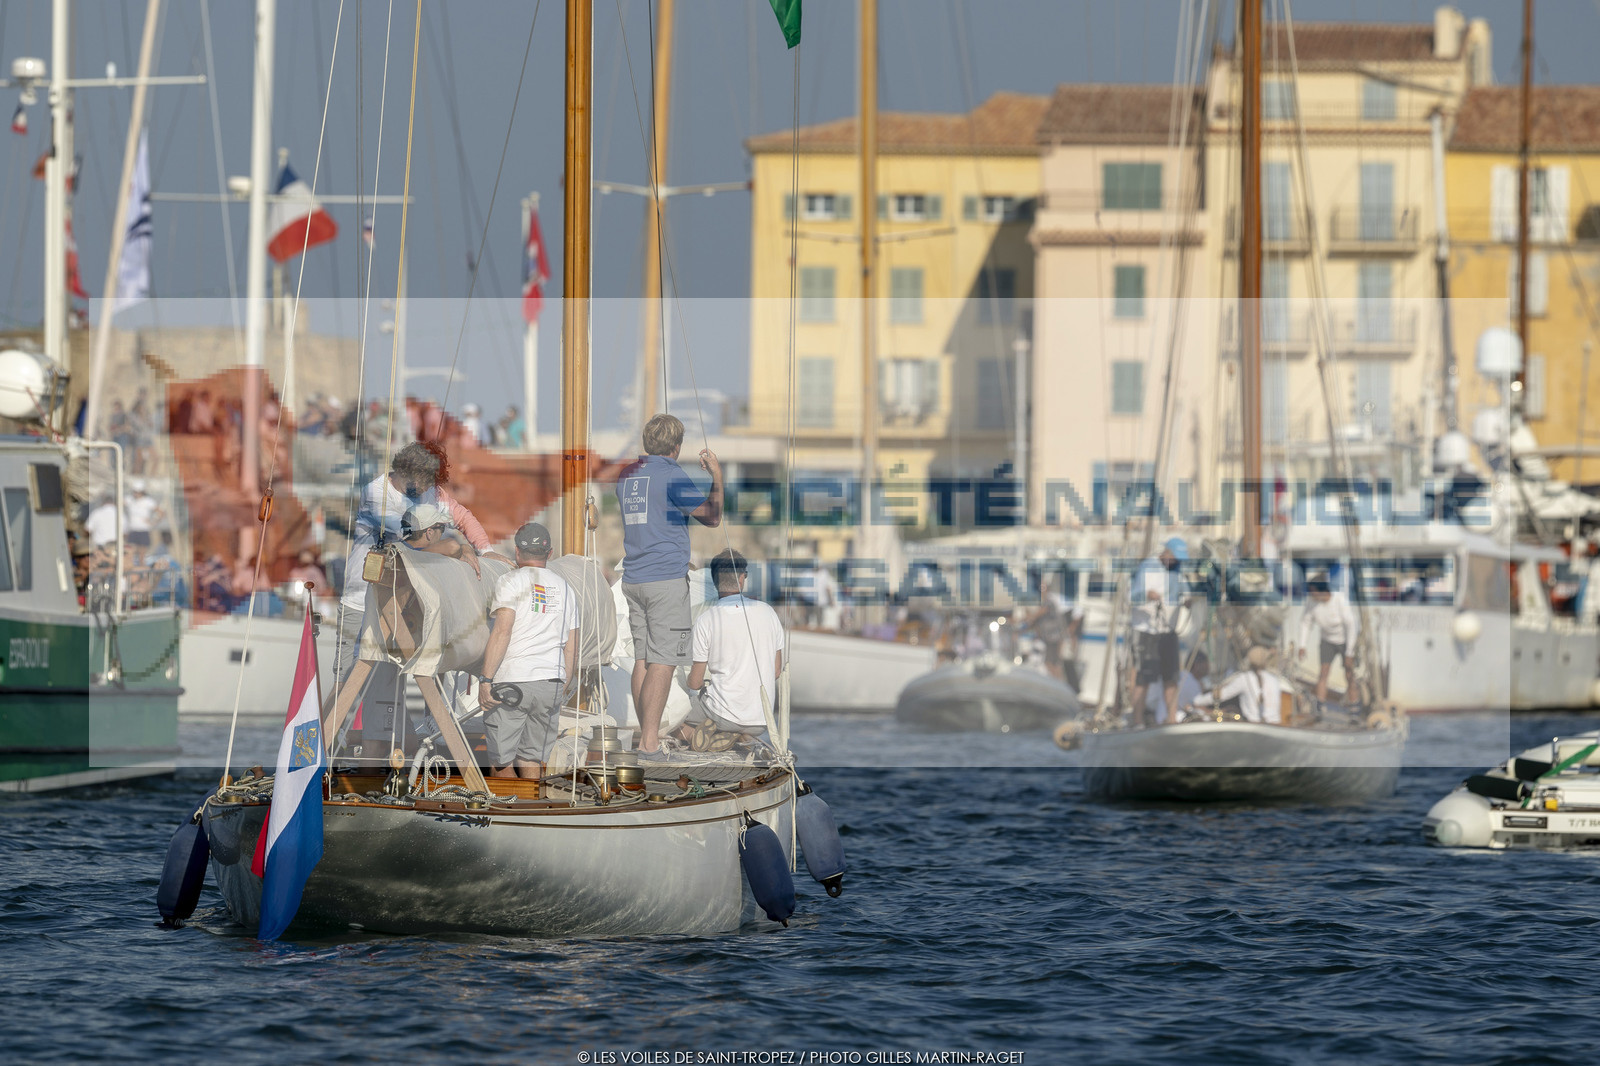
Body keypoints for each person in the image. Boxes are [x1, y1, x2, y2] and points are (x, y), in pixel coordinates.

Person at [337, 441, 494, 681]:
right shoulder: (376, 493)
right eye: (423, 482)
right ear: (404, 473)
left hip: (402, 605)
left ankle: (425, 719)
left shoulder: (429, 492)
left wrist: (486, 551)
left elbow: (463, 517)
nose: (426, 489)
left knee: (388, 693)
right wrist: (456, 547)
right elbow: (411, 539)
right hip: (360, 603)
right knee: (346, 682)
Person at [615, 414, 724, 753]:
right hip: (665, 580)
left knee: (643, 660)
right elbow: (711, 516)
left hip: (633, 578)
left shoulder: (626, 476)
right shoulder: (671, 474)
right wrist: (717, 477)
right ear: (676, 447)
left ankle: (646, 735)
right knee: (664, 661)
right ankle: (649, 744)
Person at [477, 523, 578, 779]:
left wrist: (485, 680)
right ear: (550, 553)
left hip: (515, 682)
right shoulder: (567, 589)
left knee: (501, 762)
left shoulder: (510, 581)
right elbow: (571, 645)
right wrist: (562, 685)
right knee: (531, 758)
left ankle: (511, 814)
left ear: (517, 552)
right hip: (551, 683)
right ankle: (533, 811)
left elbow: (503, 632)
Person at [679, 549, 784, 747]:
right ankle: (740, 736)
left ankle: (700, 737)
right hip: (762, 720)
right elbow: (776, 671)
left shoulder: (706, 620)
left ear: (714, 579)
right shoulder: (769, 613)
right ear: (743, 577)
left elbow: (695, 682)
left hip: (722, 715)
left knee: (664, 713)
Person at [1129, 536, 1189, 726]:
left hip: (1168, 631)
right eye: (1175, 557)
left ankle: (1171, 720)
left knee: (1171, 677)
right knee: (1143, 678)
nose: (1177, 562)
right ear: (1166, 553)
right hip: (1147, 630)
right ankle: (1137, 720)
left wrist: (1189, 599)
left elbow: (1185, 592)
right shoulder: (1147, 567)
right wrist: (1148, 595)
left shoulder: (1178, 571)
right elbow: (1132, 597)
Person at [1298, 575, 1359, 704]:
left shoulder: (1339, 600)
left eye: (1312, 591)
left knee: (1349, 674)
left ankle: (1354, 704)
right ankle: (1320, 704)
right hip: (1327, 641)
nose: (1310, 594)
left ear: (1321, 590)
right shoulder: (1312, 603)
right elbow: (1306, 623)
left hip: (1345, 640)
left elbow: (1351, 625)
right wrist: (1302, 645)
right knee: (1324, 672)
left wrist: (1350, 652)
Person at [1193, 646, 1283, 724]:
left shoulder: (1244, 678)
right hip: (1275, 724)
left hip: (1254, 724)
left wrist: (1198, 701)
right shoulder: (1274, 679)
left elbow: (1222, 695)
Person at [399, 503, 481, 575]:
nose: (442, 533)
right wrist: (462, 549)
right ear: (429, 532)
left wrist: (465, 547)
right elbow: (452, 547)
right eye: (442, 528)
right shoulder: (411, 555)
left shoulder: (397, 548)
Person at [124, 478, 163, 553]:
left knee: (142, 555)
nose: (136, 494)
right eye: (135, 492)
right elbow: (119, 504)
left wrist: (153, 522)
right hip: (132, 529)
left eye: (138, 492)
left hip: (143, 530)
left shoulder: (148, 501)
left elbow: (161, 512)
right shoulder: (129, 499)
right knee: (131, 552)